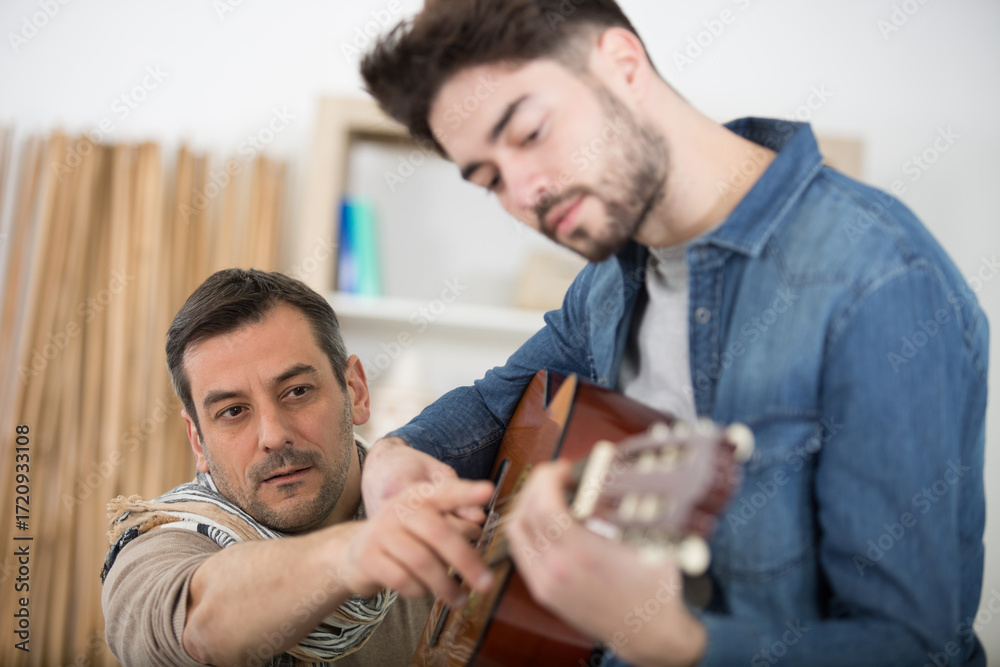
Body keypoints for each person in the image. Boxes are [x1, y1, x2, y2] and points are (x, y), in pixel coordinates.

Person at [358, 1, 990, 665]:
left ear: (623, 65)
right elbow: (497, 405)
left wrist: (671, 640)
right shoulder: (607, 281)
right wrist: (397, 453)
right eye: (488, 179)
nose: (523, 193)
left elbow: (910, 645)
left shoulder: (878, 278)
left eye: (530, 132)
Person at [100, 268, 495, 667]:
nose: (273, 435)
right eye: (233, 411)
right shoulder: (158, 547)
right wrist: (353, 551)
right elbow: (199, 622)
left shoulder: (449, 506)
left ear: (355, 391)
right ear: (197, 439)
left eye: (297, 391)